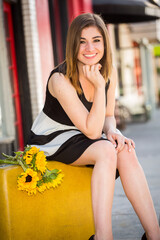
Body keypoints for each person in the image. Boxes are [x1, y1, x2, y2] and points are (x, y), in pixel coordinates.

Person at [28, 13, 160, 240]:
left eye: (96, 40)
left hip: (82, 135)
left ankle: (153, 234)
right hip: (51, 141)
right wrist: (99, 88)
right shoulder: (60, 79)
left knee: (125, 150)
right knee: (107, 151)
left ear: (105, 43)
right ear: (73, 44)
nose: (90, 47)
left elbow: (108, 115)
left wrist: (113, 131)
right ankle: (103, 236)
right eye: (82, 41)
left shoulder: (109, 71)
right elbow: (91, 131)